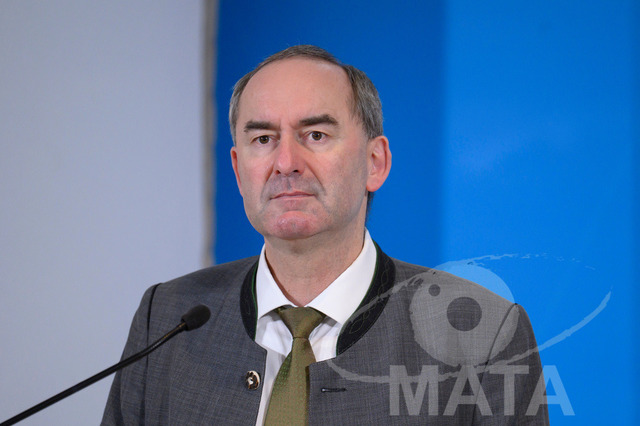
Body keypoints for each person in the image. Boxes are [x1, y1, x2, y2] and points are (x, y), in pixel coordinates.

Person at [102, 45, 549, 425]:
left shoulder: (484, 336)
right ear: (238, 171)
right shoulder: (167, 319)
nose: (285, 163)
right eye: (263, 139)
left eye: (315, 135)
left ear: (375, 163)